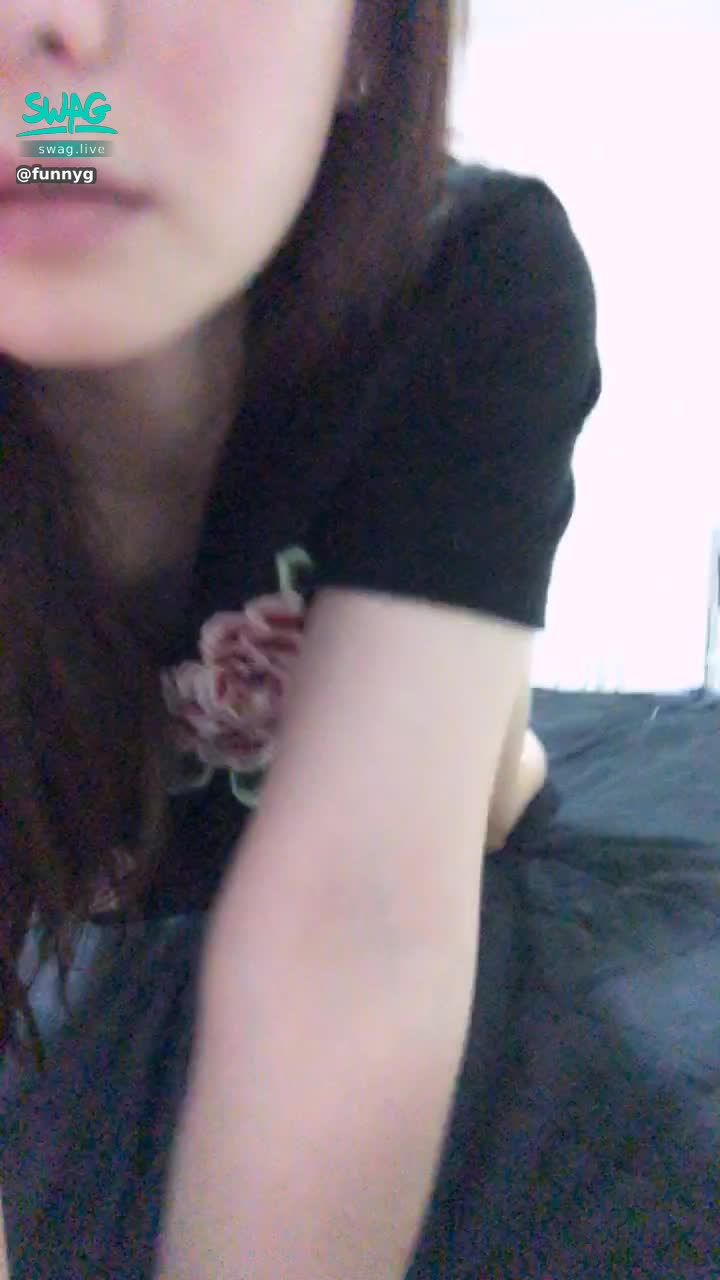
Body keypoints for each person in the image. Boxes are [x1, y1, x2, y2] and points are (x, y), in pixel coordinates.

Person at [0, 2, 602, 1277]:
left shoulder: (465, 280)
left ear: (371, 39)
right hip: (125, 845)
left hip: (419, 787)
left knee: (476, 798)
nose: (50, 24)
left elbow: (357, 930)